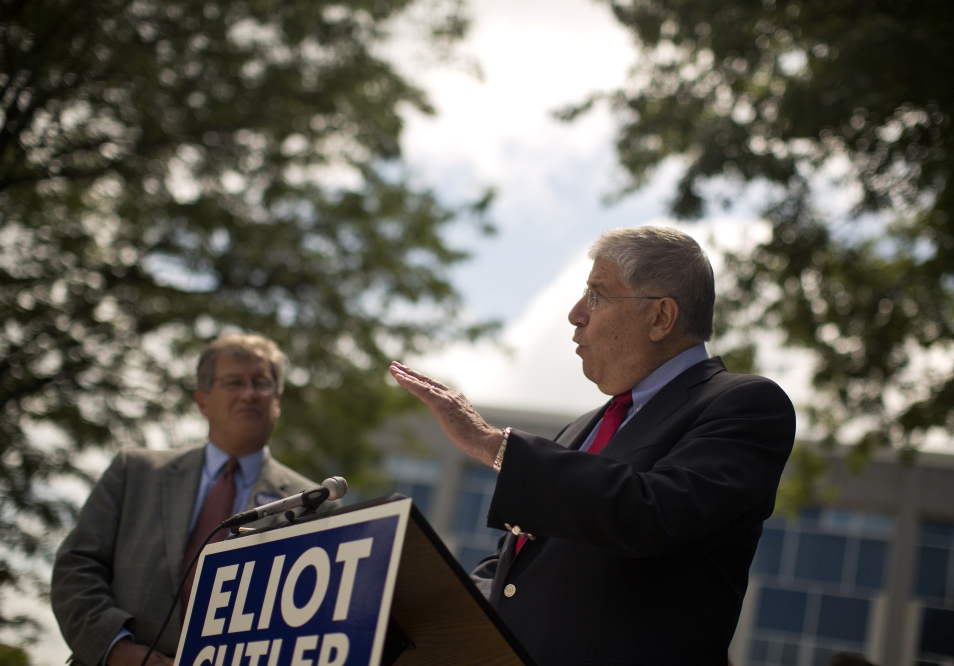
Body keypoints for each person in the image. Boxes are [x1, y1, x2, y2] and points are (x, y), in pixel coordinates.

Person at [390, 226, 796, 665]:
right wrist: (409, 601)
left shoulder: (744, 404)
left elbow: (655, 515)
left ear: (661, 317)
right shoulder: (580, 430)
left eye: (596, 296)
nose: (575, 314)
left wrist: (496, 446)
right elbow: (517, 576)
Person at [52, 333, 331, 666]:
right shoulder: (134, 471)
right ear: (202, 401)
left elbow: (309, 618)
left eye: (261, 383)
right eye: (232, 382)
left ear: (278, 398)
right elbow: (76, 567)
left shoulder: (314, 503)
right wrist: (117, 649)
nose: (249, 394)